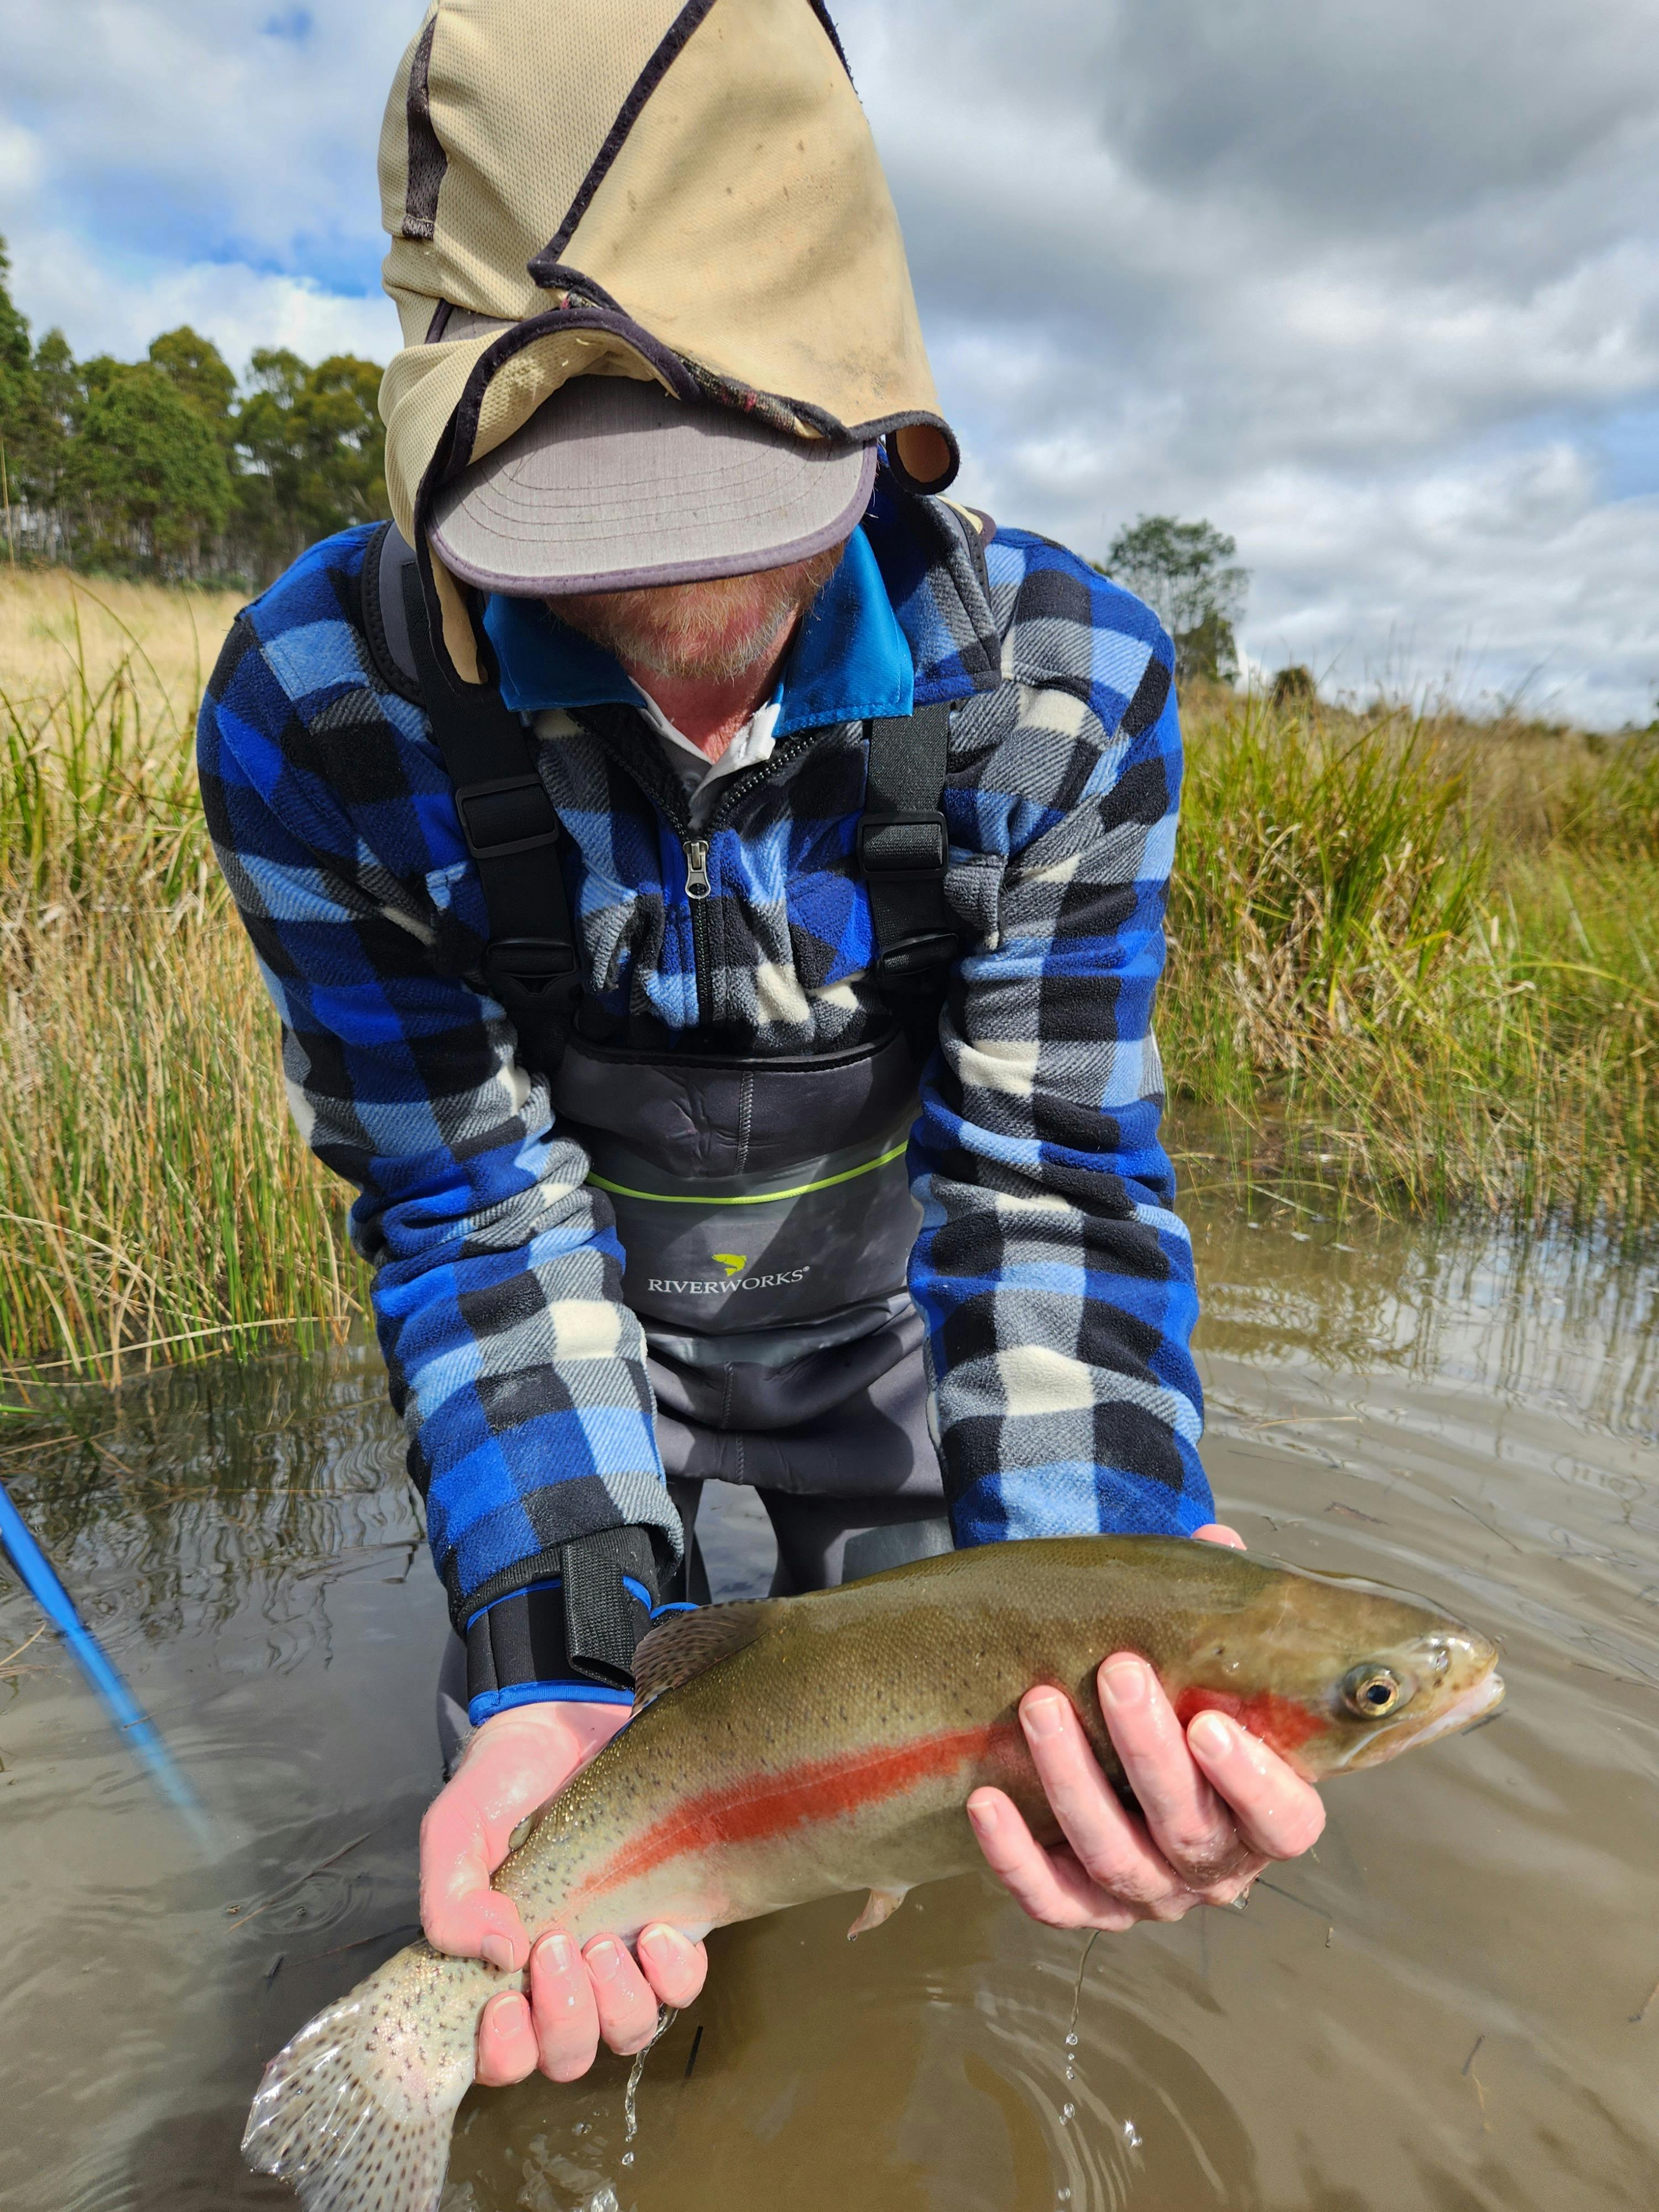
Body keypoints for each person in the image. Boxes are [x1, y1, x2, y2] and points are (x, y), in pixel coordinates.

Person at [199, 0, 1323, 2092]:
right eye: (595, 552)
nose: (704, 630)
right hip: (576, 1384)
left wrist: (1115, 1630)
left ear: (883, 415)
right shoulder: (320, 716)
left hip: (898, 1388)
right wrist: (561, 1657)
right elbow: (468, 1211)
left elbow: (1050, 1190)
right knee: (570, 1973)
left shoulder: (1066, 689)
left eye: (755, 508)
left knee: (906, 1926)